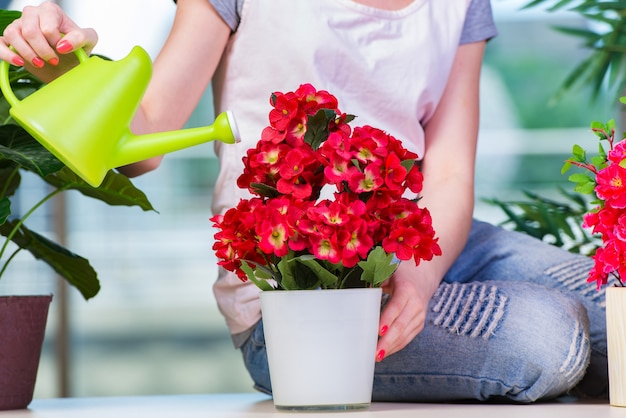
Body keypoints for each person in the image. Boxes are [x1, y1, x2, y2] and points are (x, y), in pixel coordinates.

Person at [0, 0, 607, 402]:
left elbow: (447, 172)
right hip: (299, 291)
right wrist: (62, 73)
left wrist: (418, 286)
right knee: (551, 338)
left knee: (614, 304)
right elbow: (145, 137)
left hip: (433, 244)